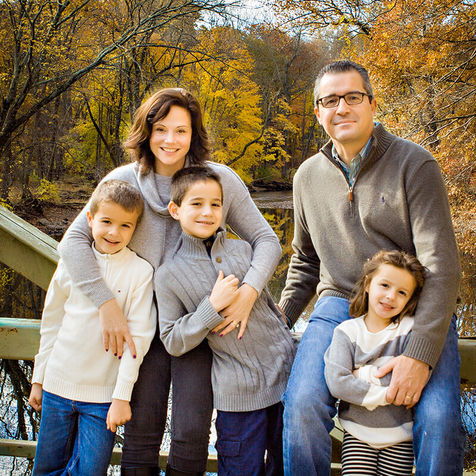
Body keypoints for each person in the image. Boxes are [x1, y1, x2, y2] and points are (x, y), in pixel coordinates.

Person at [57, 88, 281, 476]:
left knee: (191, 432)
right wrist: (106, 303)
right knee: (141, 431)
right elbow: (74, 241)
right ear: (146, 132)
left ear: (194, 134)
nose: (170, 140)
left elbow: (267, 240)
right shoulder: (123, 181)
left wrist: (248, 292)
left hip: (199, 326)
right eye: (161, 129)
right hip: (142, 328)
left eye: (181, 130)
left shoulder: (217, 181)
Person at [279, 60, 463, 476]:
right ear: (318, 112)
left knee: (438, 420)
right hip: (338, 304)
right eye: (329, 100)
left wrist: (419, 355)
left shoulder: (415, 164)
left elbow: (441, 266)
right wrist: (279, 322)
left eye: (352, 97)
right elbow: (305, 261)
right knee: (303, 405)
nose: (341, 107)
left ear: (372, 104)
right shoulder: (306, 177)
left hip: (410, 309)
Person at [156, 166, 295, 476]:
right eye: (197, 203)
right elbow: (172, 340)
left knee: (287, 467)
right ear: (175, 210)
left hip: (287, 382)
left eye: (216, 204)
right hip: (238, 398)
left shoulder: (244, 251)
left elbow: (272, 312)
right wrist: (210, 307)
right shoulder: (168, 275)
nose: (208, 212)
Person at [29, 180, 156, 475]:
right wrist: (39, 378)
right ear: (90, 219)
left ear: (135, 228)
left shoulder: (140, 272)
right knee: (46, 469)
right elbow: (51, 324)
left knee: (89, 471)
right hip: (56, 388)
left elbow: (139, 339)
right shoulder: (73, 263)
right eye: (107, 222)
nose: (114, 232)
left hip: (102, 399)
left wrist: (122, 397)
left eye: (125, 225)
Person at [324, 250, 426, 475]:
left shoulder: (409, 330)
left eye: (402, 292)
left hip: (400, 438)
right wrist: (389, 394)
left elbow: (410, 378)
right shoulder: (347, 332)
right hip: (357, 435)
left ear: (410, 299)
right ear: (369, 284)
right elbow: (338, 383)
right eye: (385, 285)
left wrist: (362, 375)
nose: (391, 297)